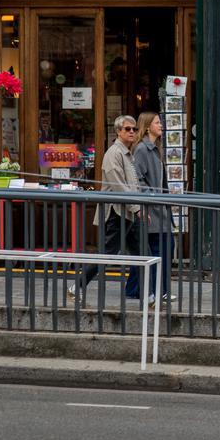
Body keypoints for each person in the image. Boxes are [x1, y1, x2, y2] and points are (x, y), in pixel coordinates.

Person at [69, 115, 141, 299]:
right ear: (118, 131)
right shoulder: (114, 154)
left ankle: (151, 294)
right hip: (117, 212)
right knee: (107, 254)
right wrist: (137, 207)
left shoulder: (126, 153)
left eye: (134, 128)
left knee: (142, 254)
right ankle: (76, 286)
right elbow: (119, 186)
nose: (132, 131)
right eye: (127, 129)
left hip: (127, 212)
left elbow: (132, 185)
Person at [125, 112, 174, 304]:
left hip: (158, 208)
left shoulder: (155, 148)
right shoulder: (143, 150)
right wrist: (153, 194)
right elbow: (137, 179)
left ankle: (138, 289)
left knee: (159, 248)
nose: (161, 125)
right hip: (151, 209)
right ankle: (155, 290)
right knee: (160, 248)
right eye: (157, 122)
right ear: (147, 127)